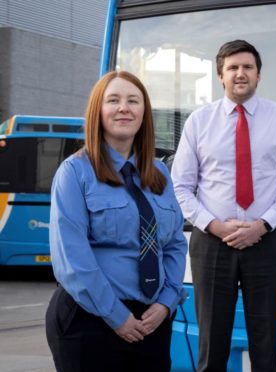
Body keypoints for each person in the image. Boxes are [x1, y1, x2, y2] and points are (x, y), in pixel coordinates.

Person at [171, 40, 276, 372]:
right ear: (220, 76)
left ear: (259, 75)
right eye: (232, 68)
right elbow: (181, 186)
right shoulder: (199, 122)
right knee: (211, 344)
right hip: (212, 241)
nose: (240, 73)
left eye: (247, 67)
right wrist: (215, 225)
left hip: (267, 240)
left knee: (266, 341)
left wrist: (263, 225)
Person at [45, 70, 188, 372]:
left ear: (144, 114)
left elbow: (174, 243)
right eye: (114, 100)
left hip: (152, 321)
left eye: (133, 101)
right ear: (98, 111)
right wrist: (116, 316)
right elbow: (72, 257)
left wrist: (166, 302)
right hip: (90, 320)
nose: (124, 107)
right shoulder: (75, 173)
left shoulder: (160, 174)